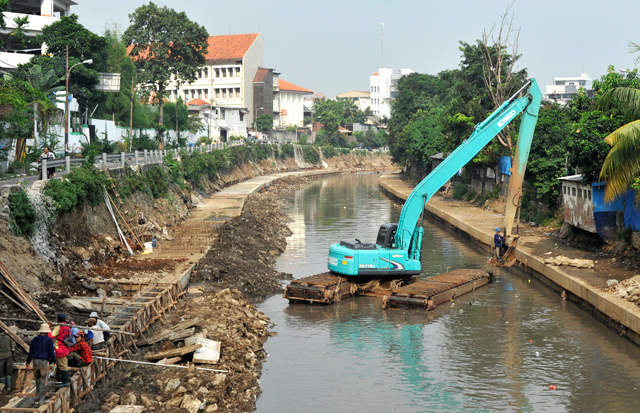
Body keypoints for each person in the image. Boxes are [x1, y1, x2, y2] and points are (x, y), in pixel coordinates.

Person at [26, 324, 56, 405]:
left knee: (37, 378)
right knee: (43, 380)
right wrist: (54, 362)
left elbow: (30, 353)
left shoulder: (34, 340)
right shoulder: (49, 340)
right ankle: (42, 400)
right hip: (44, 362)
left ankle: (38, 395)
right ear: (47, 332)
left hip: (35, 361)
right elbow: (51, 352)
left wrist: (28, 362)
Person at [50, 314, 71, 388]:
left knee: (63, 365)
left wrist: (49, 328)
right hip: (66, 348)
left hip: (60, 348)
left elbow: (51, 336)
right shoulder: (67, 327)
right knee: (59, 362)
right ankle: (57, 374)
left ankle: (65, 381)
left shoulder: (58, 327)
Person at [0, 327, 16, 393]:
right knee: (9, 372)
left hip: (0, 357)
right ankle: (9, 388)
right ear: (3, 332)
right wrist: (11, 355)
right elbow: (13, 349)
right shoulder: (8, 338)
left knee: (1, 373)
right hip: (8, 356)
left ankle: (3, 388)